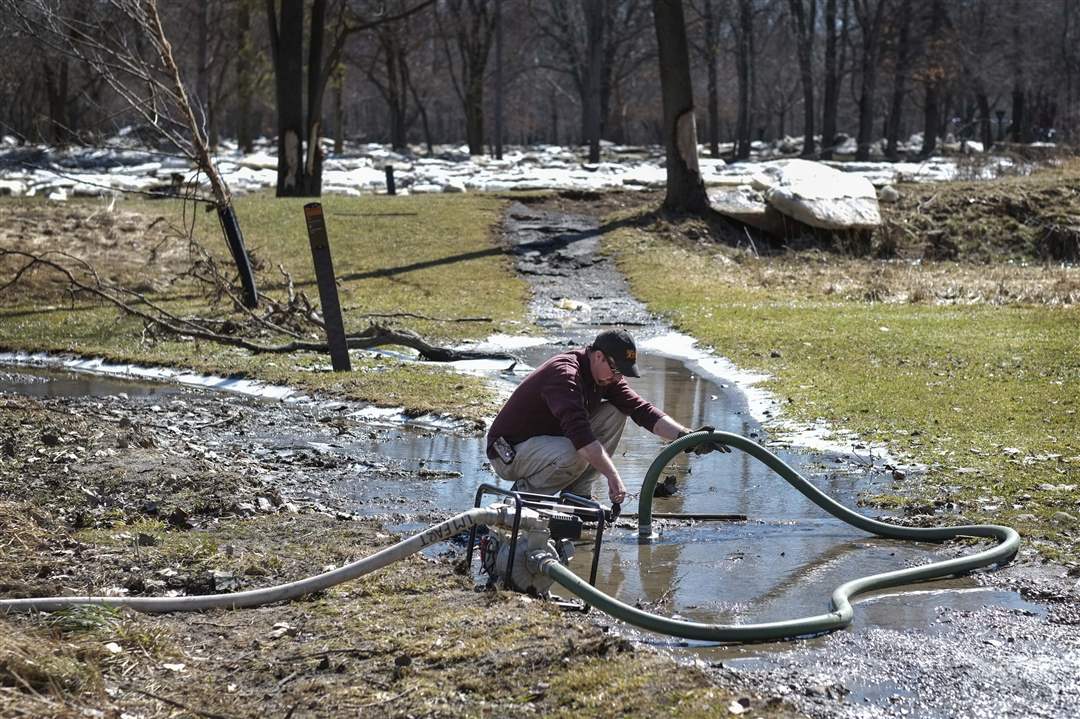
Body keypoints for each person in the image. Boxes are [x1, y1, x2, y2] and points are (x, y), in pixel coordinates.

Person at [486, 328, 727, 505]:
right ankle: (522, 501)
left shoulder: (605, 376)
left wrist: (687, 437)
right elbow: (581, 439)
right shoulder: (565, 375)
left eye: (621, 373)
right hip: (508, 452)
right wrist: (613, 476)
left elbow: (641, 409)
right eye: (615, 370)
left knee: (615, 412)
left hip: (547, 442)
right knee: (576, 453)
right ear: (598, 356)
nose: (617, 378)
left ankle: (577, 496)